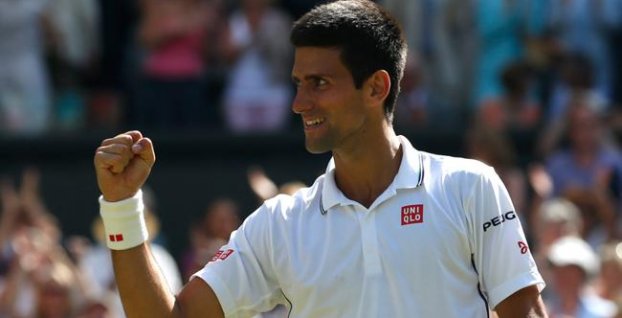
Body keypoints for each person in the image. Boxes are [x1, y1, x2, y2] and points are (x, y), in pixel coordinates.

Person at [93, 1, 548, 316]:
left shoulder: (470, 187)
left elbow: (523, 313)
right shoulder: (279, 224)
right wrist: (120, 206)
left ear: (376, 88)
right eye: (297, 83)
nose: (299, 102)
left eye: (320, 84)